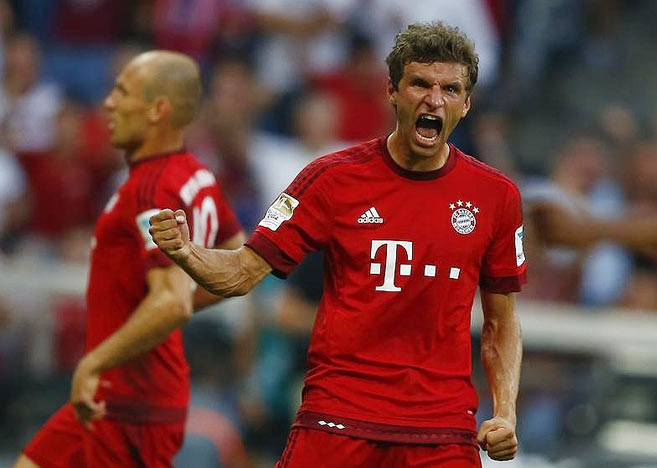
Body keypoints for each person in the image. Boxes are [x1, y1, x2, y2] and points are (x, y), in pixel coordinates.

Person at [150, 22, 523, 467]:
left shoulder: (495, 197)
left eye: (450, 88)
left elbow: (501, 325)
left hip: (440, 431)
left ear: (466, 103)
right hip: (338, 420)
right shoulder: (332, 179)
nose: (434, 99)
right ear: (392, 90)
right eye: (420, 83)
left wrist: (504, 413)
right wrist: (186, 251)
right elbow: (242, 273)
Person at [15, 50, 244, 468]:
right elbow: (237, 254)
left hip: (130, 403)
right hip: (120, 395)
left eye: (121, 91)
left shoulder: (153, 189)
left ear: (158, 109)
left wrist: (94, 360)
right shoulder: (195, 173)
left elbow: (171, 300)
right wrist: (161, 311)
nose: (108, 102)